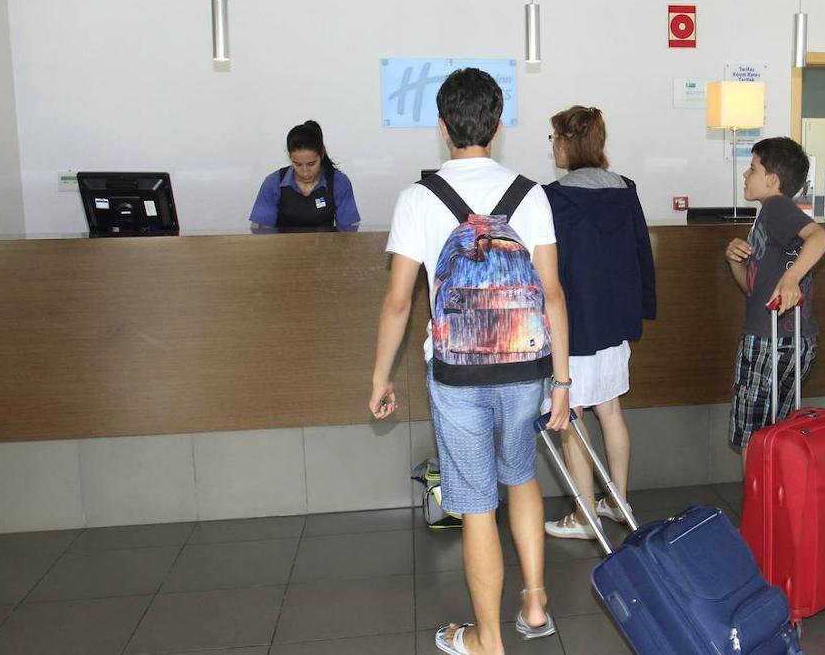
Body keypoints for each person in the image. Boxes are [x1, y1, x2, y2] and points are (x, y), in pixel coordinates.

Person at [368, 68, 571, 655]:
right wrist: (561, 380)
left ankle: (487, 640)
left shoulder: (418, 199)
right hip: (524, 368)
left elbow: (398, 300)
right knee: (522, 477)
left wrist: (380, 378)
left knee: (478, 504)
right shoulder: (531, 194)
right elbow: (553, 293)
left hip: (457, 375)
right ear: (498, 124)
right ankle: (534, 605)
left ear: (441, 127)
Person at [540, 106, 656, 540]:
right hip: (615, 322)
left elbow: (549, 268)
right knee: (611, 410)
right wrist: (640, 309)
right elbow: (642, 254)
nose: (552, 145)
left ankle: (586, 514)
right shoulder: (626, 190)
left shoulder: (554, 197)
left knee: (569, 416)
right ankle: (617, 501)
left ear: (568, 141)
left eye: (554, 137)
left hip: (574, 325)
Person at [722, 137, 825, 470]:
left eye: (753, 168)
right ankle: (774, 507)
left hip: (770, 340)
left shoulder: (776, 207)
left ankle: (760, 514)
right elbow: (754, 290)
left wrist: (791, 278)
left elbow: (822, 237)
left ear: (773, 179)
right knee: (773, 433)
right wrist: (735, 262)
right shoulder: (769, 217)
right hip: (787, 337)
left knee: (754, 437)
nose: (746, 174)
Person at [249, 120, 360, 230]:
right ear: (290, 158)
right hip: (283, 247)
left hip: (326, 246)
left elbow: (348, 232)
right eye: (297, 164)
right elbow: (263, 232)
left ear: (321, 155)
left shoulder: (339, 182)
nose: (305, 172)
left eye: (311, 164)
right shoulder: (273, 183)